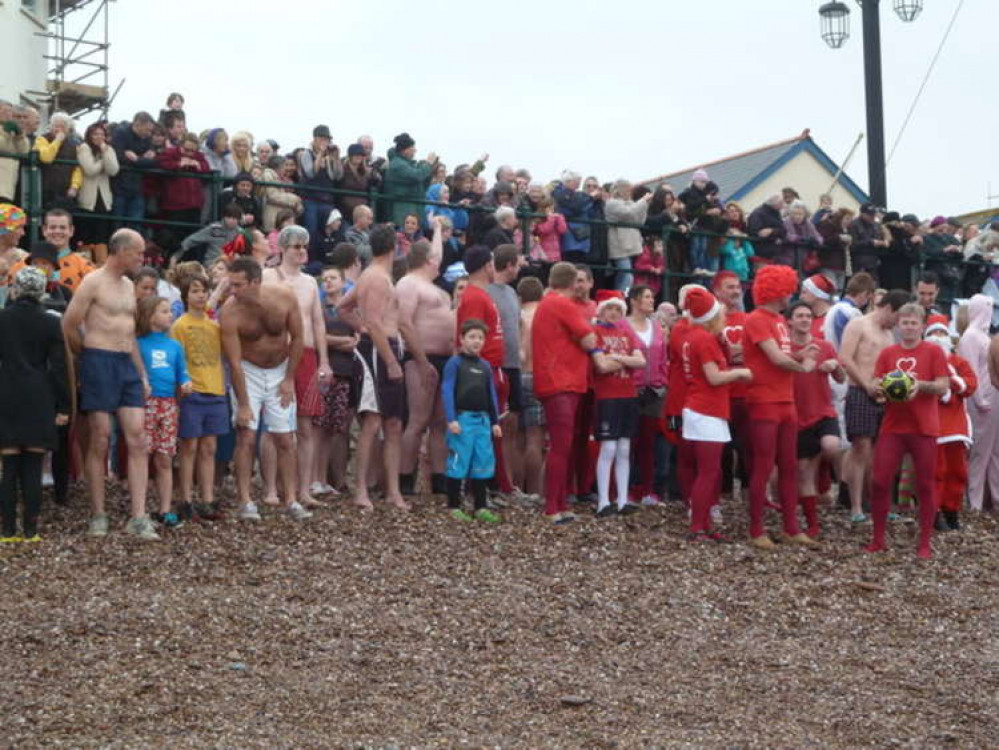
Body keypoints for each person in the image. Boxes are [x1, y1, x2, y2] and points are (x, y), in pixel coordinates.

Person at [61, 228, 159, 540]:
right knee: (100, 437)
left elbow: (129, 334)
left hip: (125, 364)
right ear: (121, 251)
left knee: (138, 436)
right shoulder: (93, 281)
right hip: (98, 360)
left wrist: (141, 373)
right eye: (137, 252)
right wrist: (86, 353)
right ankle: (98, 512)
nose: (141, 258)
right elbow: (69, 323)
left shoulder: (129, 285)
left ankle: (139, 515)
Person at [219, 257, 311, 522]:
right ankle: (245, 499)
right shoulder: (230, 312)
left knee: (285, 437)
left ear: (255, 282)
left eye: (238, 285)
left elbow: (298, 338)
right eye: (230, 284)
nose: (232, 290)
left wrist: (289, 379)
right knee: (246, 435)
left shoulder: (283, 296)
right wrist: (245, 403)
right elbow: (234, 362)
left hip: (280, 368)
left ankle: (291, 499)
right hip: (248, 370)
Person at [742, 265, 819, 549]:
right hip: (764, 401)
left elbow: (781, 356)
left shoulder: (776, 320)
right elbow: (775, 359)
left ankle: (790, 526)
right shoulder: (758, 320)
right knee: (763, 466)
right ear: (778, 291)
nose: (791, 294)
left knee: (788, 465)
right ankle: (756, 529)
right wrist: (805, 364)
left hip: (785, 401)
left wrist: (801, 354)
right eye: (788, 289)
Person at [336, 225, 413, 511]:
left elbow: (343, 307)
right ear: (394, 248)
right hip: (378, 352)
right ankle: (361, 490)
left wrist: (365, 329)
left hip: (386, 347)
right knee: (372, 420)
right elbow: (374, 322)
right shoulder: (376, 278)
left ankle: (392, 491)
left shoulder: (376, 276)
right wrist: (390, 360)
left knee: (393, 422)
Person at [867, 304, 949, 559]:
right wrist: (879, 389)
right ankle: (878, 539)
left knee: (924, 485)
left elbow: (942, 385)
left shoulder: (933, 351)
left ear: (922, 326)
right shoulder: (888, 353)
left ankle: (924, 542)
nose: (909, 327)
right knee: (880, 481)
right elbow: (874, 383)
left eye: (914, 323)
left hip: (924, 427)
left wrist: (918, 385)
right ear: (898, 324)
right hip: (893, 426)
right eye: (905, 322)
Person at [261, 226, 333, 509]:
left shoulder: (310, 283)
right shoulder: (267, 277)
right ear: (283, 249)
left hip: (307, 354)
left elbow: (317, 322)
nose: (302, 251)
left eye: (305, 246)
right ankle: (270, 489)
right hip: (277, 353)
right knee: (273, 424)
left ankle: (303, 489)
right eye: (296, 247)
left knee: (305, 424)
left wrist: (324, 361)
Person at [0, 268, 70, 542]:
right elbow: (58, 368)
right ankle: (31, 530)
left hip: (7, 392)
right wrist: (64, 406)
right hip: (39, 394)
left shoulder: (2, 319)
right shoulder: (51, 323)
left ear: (15, 289)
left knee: (9, 465)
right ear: (42, 291)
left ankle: (7, 531)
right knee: (33, 464)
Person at [680, 286, 752, 540]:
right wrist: (740, 372)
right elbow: (713, 377)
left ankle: (704, 523)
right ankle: (698, 526)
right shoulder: (704, 339)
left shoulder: (693, 336)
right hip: (706, 409)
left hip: (702, 408)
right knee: (708, 472)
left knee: (710, 471)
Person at [531, 261, 600, 523]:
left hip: (555, 379)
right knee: (561, 445)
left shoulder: (547, 303)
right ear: (572, 283)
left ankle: (559, 503)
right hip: (562, 380)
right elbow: (589, 338)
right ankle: (552, 506)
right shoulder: (562, 304)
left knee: (562, 444)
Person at [837, 290, 909, 523]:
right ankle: (856, 506)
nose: (897, 324)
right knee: (861, 449)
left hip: (882, 395)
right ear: (888, 308)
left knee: (881, 453)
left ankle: (879, 504)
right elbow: (845, 358)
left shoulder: (889, 335)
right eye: (896, 317)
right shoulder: (859, 325)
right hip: (859, 391)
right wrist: (866, 384)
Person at [456, 245, 518, 500]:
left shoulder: (480, 295)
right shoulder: (474, 297)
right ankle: (483, 486)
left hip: (492, 367)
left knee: (493, 428)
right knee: (486, 428)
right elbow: (470, 337)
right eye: (492, 263)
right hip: (485, 370)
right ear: (486, 266)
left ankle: (493, 484)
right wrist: (475, 371)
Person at [397, 223, 453, 496]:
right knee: (418, 421)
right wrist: (420, 360)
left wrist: (438, 229)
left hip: (445, 359)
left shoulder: (438, 289)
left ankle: (439, 481)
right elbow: (404, 323)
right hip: (422, 357)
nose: (440, 262)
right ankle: (405, 480)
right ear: (429, 260)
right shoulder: (409, 283)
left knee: (440, 422)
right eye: (436, 258)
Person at [171, 273, 229, 520]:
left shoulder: (215, 326)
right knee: (189, 446)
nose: (200, 295)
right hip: (192, 391)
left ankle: (207, 499)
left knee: (209, 447)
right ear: (185, 296)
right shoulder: (180, 325)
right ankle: (185, 498)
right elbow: (176, 359)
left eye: (203, 290)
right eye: (194, 291)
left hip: (215, 389)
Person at [788, 302, 844, 539]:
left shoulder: (825, 346)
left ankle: (824, 467)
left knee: (831, 446)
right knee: (802, 471)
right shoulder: (785, 350)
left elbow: (841, 378)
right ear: (789, 321)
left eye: (808, 316)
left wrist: (835, 367)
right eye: (799, 316)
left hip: (823, 412)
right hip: (798, 417)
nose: (804, 319)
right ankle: (812, 523)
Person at [136, 295, 193, 528]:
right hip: (145, 405)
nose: (170, 315)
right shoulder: (137, 344)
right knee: (141, 455)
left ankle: (165, 509)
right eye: (164, 311)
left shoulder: (174, 346)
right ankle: (138, 508)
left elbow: (182, 372)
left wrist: (186, 383)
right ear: (150, 316)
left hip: (169, 404)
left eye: (170, 311)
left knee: (165, 457)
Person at [442, 319, 503, 523]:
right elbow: (447, 390)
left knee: (482, 462)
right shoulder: (455, 363)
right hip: (462, 419)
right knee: (459, 460)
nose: (476, 341)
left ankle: (480, 506)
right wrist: (451, 418)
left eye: (480, 338)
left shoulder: (485, 366)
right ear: (462, 339)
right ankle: (453, 505)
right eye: (472, 337)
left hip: (483, 421)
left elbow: (491, 395)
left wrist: (495, 422)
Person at [590, 292, 646, 517]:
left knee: (624, 448)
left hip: (627, 394)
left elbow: (640, 361)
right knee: (609, 447)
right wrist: (625, 360)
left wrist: (618, 359)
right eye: (609, 309)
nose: (613, 313)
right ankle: (604, 500)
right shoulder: (596, 332)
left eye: (617, 309)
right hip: (607, 396)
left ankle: (622, 499)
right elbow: (600, 366)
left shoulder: (626, 333)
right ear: (601, 311)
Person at [487, 244, 534, 502]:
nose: (519, 267)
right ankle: (495, 482)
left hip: (513, 364)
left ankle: (509, 484)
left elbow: (515, 324)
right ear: (509, 265)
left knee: (513, 424)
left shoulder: (511, 293)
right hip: (499, 365)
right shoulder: (488, 292)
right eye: (517, 263)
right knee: (499, 424)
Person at [924, 315, 976, 531]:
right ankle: (933, 512)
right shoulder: (923, 360)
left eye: (942, 333)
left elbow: (971, 385)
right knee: (936, 471)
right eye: (934, 333)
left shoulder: (959, 362)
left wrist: (953, 379)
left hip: (955, 427)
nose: (938, 337)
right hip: (931, 425)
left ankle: (951, 511)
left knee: (957, 471)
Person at [313, 266, 358, 495]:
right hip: (325, 371)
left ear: (343, 281)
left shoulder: (351, 310)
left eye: (333, 277)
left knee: (335, 428)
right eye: (325, 278)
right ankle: (316, 478)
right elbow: (317, 335)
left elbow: (359, 338)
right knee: (318, 428)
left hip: (347, 373)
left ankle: (329, 479)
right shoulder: (320, 309)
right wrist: (343, 342)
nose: (328, 282)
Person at [624, 284, 669, 505]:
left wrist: (663, 379)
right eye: (647, 297)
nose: (652, 301)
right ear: (634, 300)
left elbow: (662, 356)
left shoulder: (657, 327)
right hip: (631, 390)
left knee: (649, 443)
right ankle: (630, 488)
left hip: (654, 390)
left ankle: (649, 490)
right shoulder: (624, 325)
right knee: (629, 441)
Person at [957, 294, 999, 512]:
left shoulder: (983, 335)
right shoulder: (971, 336)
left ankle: (993, 498)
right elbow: (971, 369)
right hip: (982, 399)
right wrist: (979, 398)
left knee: (994, 452)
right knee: (980, 452)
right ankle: (974, 501)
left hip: (992, 397)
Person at [7, 209, 94, 295]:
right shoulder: (23, 264)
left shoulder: (85, 267)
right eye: (52, 227)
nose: (57, 231)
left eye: (62, 227)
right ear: (44, 230)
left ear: (71, 231)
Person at [517, 276, 546, 497]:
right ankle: (537, 490)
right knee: (538, 437)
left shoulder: (519, 316)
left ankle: (520, 487)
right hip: (541, 374)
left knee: (520, 436)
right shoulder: (544, 315)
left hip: (520, 374)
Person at [297, 125, 343, 262]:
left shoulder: (329, 156)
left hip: (326, 200)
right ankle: (309, 260)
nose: (325, 142)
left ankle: (327, 260)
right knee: (311, 228)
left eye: (327, 139)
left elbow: (337, 176)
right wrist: (320, 155)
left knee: (334, 227)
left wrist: (336, 158)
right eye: (323, 139)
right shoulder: (306, 154)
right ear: (315, 139)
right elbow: (311, 173)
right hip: (310, 199)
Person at [75, 122, 119, 261]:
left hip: (104, 198)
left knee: (102, 234)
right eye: (95, 134)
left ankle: (101, 263)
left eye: (102, 134)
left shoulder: (108, 149)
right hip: (88, 198)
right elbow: (90, 170)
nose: (99, 137)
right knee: (86, 234)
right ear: (89, 135)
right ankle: (84, 263)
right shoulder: (84, 147)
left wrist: (105, 152)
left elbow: (113, 170)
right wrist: (102, 160)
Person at [110, 112, 157, 228]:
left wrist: (136, 159)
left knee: (135, 225)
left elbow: (153, 161)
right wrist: (142, 159)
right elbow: (119, 157)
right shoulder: (120, 133)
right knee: (118, 224)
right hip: (119, 187)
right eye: (147, 130)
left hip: (137, 188)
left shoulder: (147, 138)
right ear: (138, 124)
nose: (149, 134)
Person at [604, 179, 652, 292]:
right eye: (627, 189)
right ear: (619, 190)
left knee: (627, 275)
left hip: (632, 244)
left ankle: (621, 296)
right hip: (619, 245)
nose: (629, 192)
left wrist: (644, 206)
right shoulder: (612, 203)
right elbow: (628, 213)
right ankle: (620, 297)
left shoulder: (631, 204)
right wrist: (642, 202)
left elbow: (639, 221)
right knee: (626, 275)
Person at [382, 132, 437, 228]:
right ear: (405, 150)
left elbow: (421, 183)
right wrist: (428, 164)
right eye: (413, 148)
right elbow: (416, 176)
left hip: (413, 210)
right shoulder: (397, 164)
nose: (415, 151)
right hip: (403, 211)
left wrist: (429, 169)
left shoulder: (406, 164)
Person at [799, 273, 837, 338]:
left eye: (804, 292)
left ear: (817, 294)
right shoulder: (807, 319)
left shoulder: (834, 317)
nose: (801, 297)